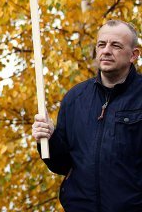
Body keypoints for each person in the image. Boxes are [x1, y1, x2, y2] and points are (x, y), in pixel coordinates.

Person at [32, 19, 142, 211]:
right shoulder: (75, 99)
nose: (106, 50)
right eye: (101, 44)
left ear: (134, 55)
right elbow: (62, 165)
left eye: (115, 45)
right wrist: (48, 139)